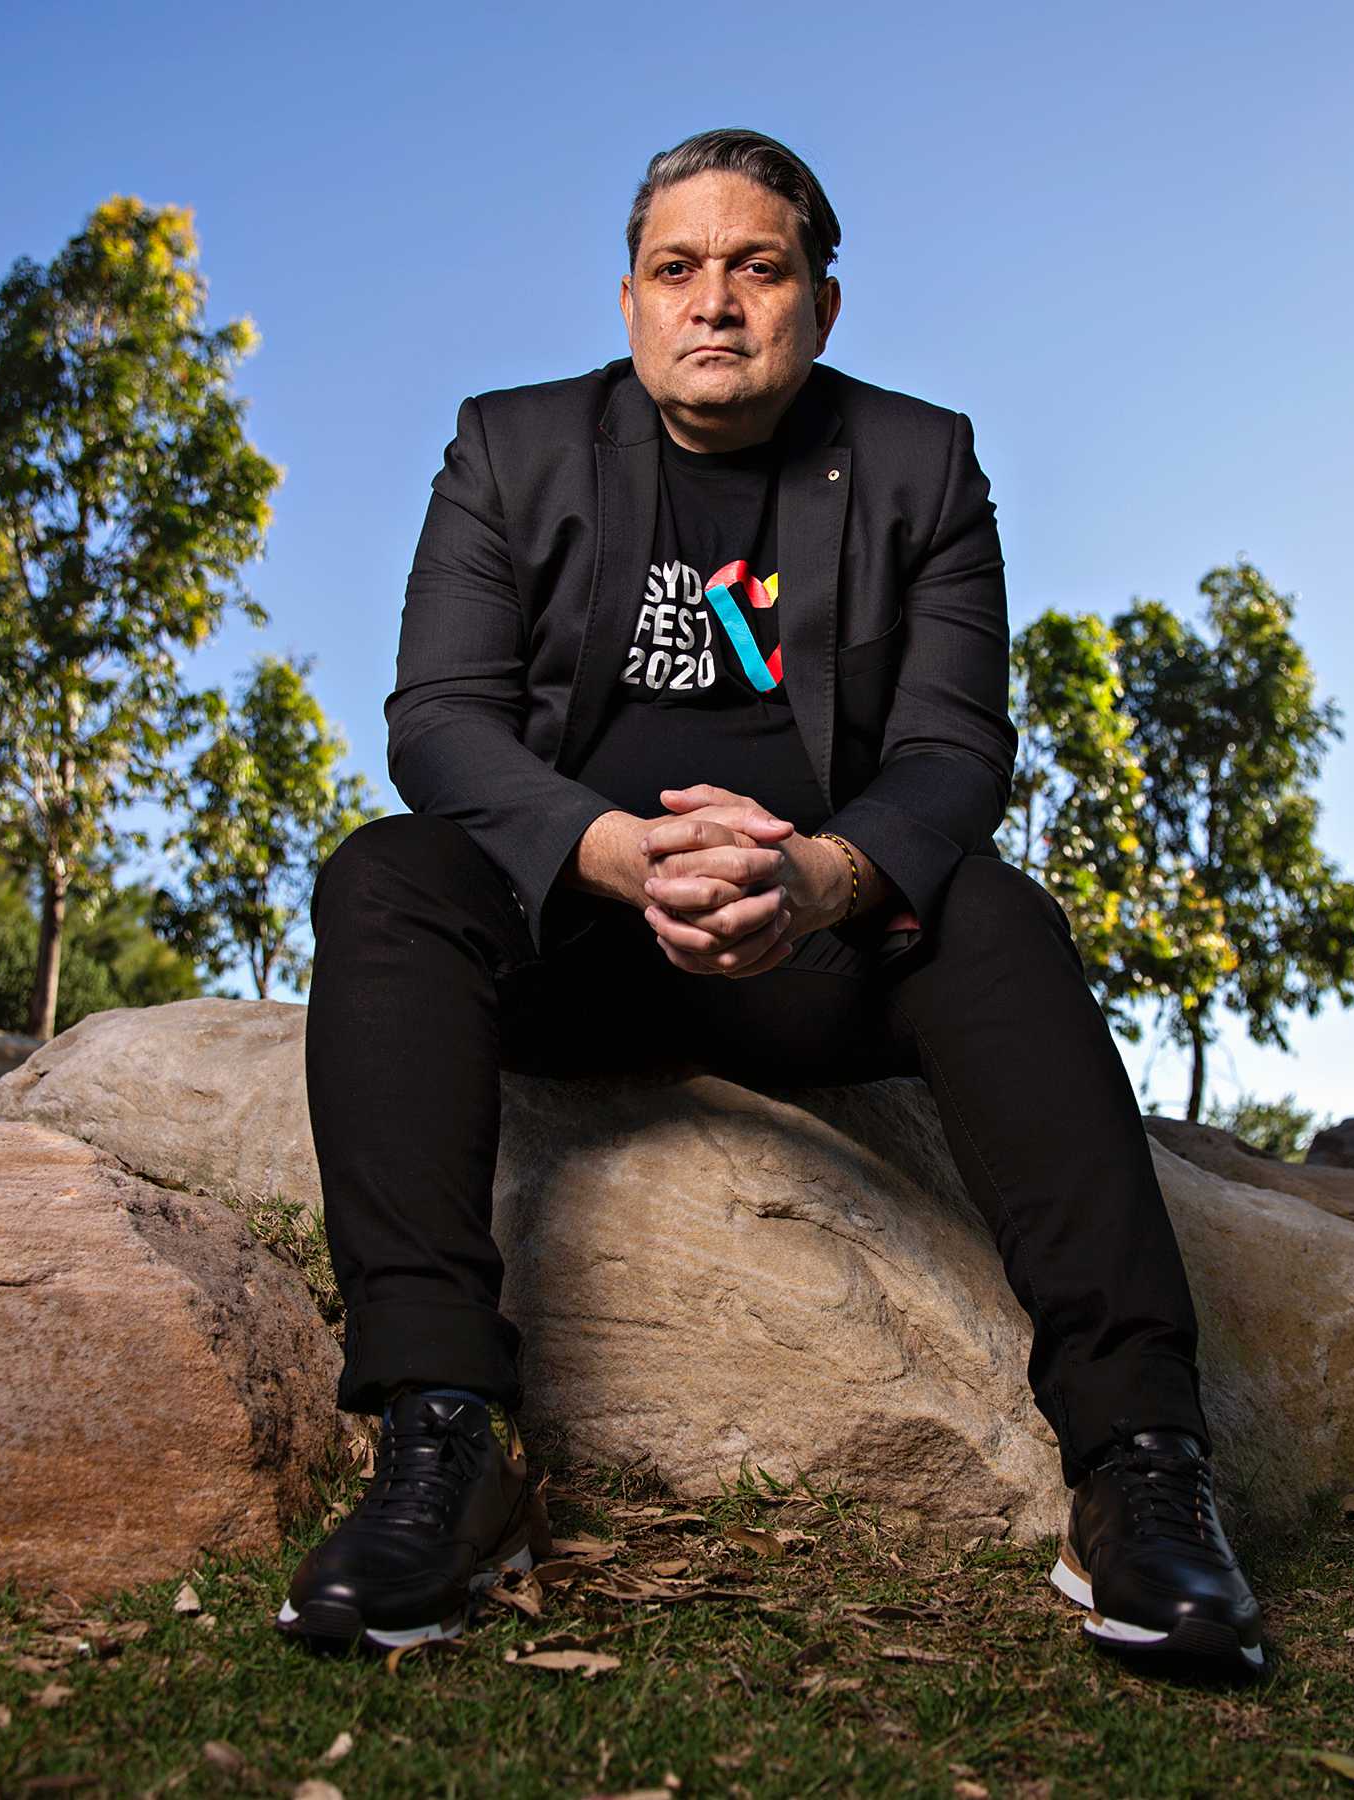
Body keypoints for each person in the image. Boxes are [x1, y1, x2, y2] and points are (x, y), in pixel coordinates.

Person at [274, 127, 1263, 1671]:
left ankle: (1141, 1465)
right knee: (384, 875)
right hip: (571, 940)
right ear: (628, 301)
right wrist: (616, 851)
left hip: (808, 954)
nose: (716, 301)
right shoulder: (509, 448)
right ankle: (443, 1434)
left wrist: (816, 878)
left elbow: (952, 753)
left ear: (821, 303)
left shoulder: (923, 465)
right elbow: (439, 723)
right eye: (677, 268)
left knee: (997, 916)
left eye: (758, 267)